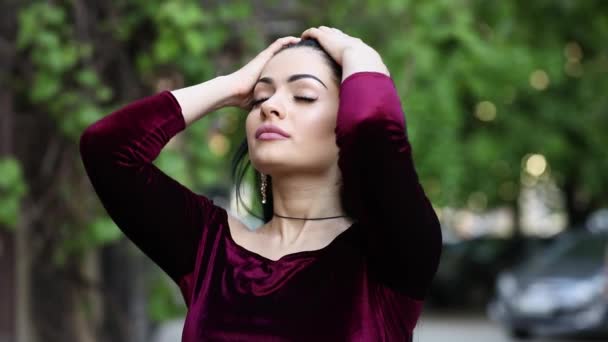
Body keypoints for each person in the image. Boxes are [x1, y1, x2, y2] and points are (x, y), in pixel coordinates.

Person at [80, 26, 442, 341]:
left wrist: (357, 52)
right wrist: (230, 85)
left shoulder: (390, 256)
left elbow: (372, 127)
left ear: (343, 124)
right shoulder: (209, 250)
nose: (271, 106)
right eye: (259, 97)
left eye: (303, 95)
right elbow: (107, 150)